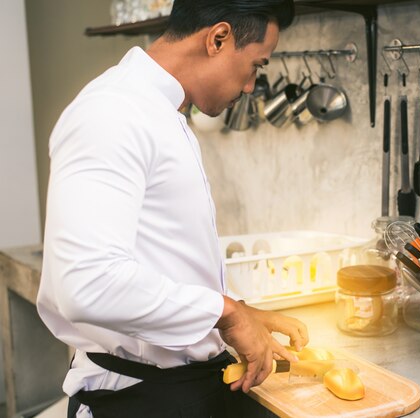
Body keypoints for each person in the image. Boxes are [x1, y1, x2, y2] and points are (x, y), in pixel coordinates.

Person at [36, 1, 309, 417]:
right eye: (256, 65)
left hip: (179, 390)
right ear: (218, 39)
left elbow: (161, 256)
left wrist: (242, 312)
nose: (253, 85)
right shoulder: (112, 113)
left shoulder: (161, 112)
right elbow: (89, 284)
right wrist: (228, 314)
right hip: (140, 401)